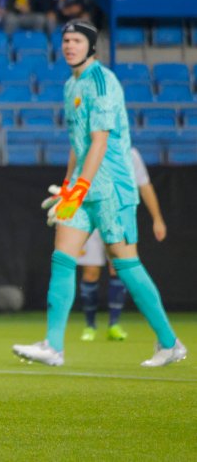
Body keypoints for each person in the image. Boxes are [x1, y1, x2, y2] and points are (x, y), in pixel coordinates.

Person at [13, 21, 186, 368]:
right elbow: (77, 143)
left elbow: (100, 141)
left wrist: (80, 187)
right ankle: (54, 346)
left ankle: (170, 343)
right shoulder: (70, 85)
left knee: (126, 266)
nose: (69, 46)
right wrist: (68, 186)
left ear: (91, 47)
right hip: (83, 189)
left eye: (76, 40)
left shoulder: (103, 81)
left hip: (111, 190)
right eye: (65, 40)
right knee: (62, 257)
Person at [77, 146, 168, 342]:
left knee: (118, 269)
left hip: (119, 218)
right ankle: (90, 325)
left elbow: (144, 185)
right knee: (90, 271)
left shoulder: (130, 153)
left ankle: (114, 324)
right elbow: (77, 181)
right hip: (93, 216)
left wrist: (157, 218)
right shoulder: (89, 150)